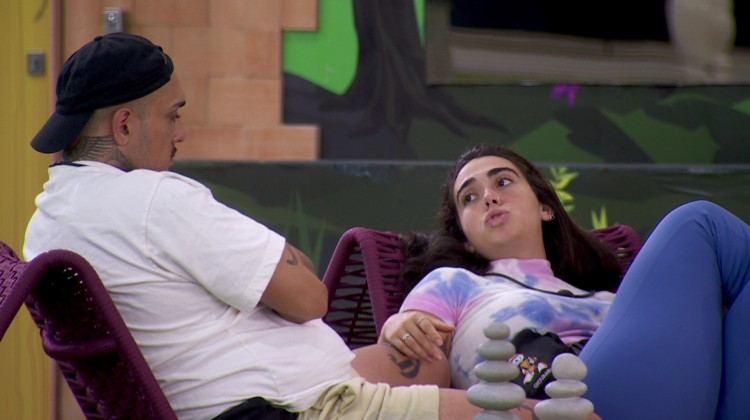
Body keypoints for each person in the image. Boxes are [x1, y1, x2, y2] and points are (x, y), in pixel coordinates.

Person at [23, 33, 549, 420]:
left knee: (428, 360)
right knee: (534, 414)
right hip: (301, 407)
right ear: (124, 125)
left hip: (253, 393)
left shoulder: (47, 220)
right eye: (172, 115)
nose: (180, 133)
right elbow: (308, 297)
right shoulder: (153, 199)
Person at [378, 143, 750, 419]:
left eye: (503, 182)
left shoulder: (603, 296)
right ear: (464, 237)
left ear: (545, 208)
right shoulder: (454, 283)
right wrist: (399, 324)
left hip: (687, 395)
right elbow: (411, 333)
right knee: (697, 223)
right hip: (572, 403)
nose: (489, 198)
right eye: (470, 198)